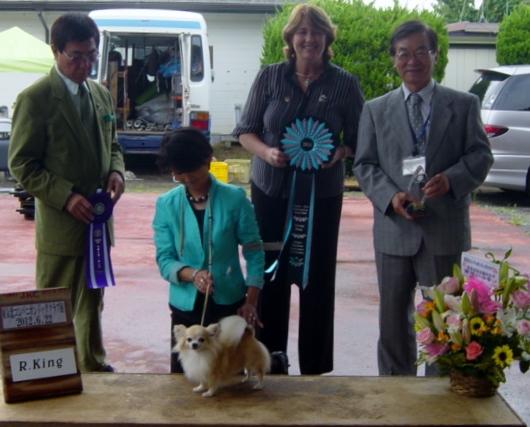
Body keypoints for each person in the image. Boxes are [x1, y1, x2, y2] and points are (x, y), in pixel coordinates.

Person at [353, 20, 494, 376]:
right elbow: (365, 164)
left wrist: (452, 179)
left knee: (445, 317)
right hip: (394, 229)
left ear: (436, 55)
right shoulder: (375, 109)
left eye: (420, 51)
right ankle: (396, 390)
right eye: (403, 53)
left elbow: (481, 155)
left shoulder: (463, 105)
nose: (411, 60)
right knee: (393, 320)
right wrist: (391, 196)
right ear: (394, 59)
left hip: (443, 229)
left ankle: (440, 390)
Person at [232, 3, 364, 375]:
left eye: (317, 32)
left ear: (327, 38)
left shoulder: (345, 83)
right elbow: (245, 130)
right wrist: (266, 152)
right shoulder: (270, 77)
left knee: (317, 278)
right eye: (302, 32)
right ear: (290, 38)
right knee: (270, 274)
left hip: (321, 195)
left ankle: (316, 367)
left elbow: (359, 139)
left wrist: (340, 151)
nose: (309, 39)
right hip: (270, 191)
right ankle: (269, 360)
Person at [8, 12, 125, 372]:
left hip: (97, 227)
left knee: (93, 303)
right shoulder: (35, 99)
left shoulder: (101, 95)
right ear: (55, 51)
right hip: (61, 227)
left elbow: (114, 144)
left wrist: (116, 171)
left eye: (91, 55)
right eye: (76, 56)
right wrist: (65, 196)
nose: (85, 64)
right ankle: (48, 374)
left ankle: (93, 365)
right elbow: (22, 164)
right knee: (52, 306)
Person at [152, 127, 265, 373]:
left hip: (229, 306)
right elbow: (164, 259)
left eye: (192, 168)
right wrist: (192, 274)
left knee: (229, 377)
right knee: (185, 380)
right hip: (185, 310)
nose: (187, 177)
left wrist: (251, 302)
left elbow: (255, 252)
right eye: (178, 171)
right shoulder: (166, 204)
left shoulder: (235, 198)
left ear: (207, 159)